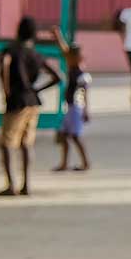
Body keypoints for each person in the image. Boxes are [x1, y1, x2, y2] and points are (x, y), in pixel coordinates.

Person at [0, 16, 61, 196]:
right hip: (33, 101)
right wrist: (36, 89)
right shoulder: (36, 54)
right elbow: (57, 77)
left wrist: (6, 90)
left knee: (7, 143)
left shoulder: (11, 50)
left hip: (16, 101)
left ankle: (11, 185)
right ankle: (26, 185)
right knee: (26, 143)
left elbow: (5, 63)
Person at [52, 32, 93, 173]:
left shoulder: (82, 75)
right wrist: (58, 37)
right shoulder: (73, 67)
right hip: (69, 107)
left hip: (76, 108)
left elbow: (85, 94)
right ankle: (64, 163)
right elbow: (64, 51)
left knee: (75, 136)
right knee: (63, 135)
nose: (67, 58)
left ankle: (86, 163)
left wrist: (86, 110)